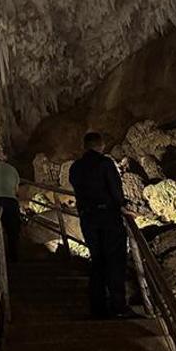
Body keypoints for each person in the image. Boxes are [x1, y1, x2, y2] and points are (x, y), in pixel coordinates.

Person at [69, 132, 133, 319]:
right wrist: (122, 206)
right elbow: (115, 187)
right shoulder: (105, 163)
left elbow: (77, 188)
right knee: (114, 260)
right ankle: (118, 305)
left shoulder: (75, 167)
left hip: (87, 218)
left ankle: (98, 307)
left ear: (85, 146)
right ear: (101, 145)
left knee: (97, 261)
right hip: (107, 216)